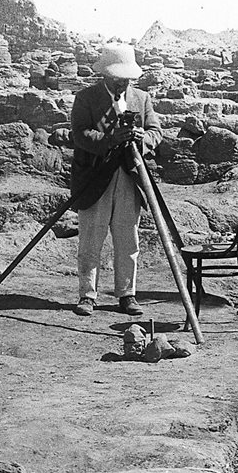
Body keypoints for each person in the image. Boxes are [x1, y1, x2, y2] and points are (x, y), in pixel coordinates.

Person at [69, 43, 163, 317]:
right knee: (91, 239)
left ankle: (127, 294)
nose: (122, 82)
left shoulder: (141, 99)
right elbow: (80, 134)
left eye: (126, 78)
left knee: (127, 239)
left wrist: (141, 139)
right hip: (95, 178)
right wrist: (110, 141)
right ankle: (87, 295)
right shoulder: (86, 98)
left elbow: (156, 131)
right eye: (117, 77)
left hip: (129, 177)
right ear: (106, 75)